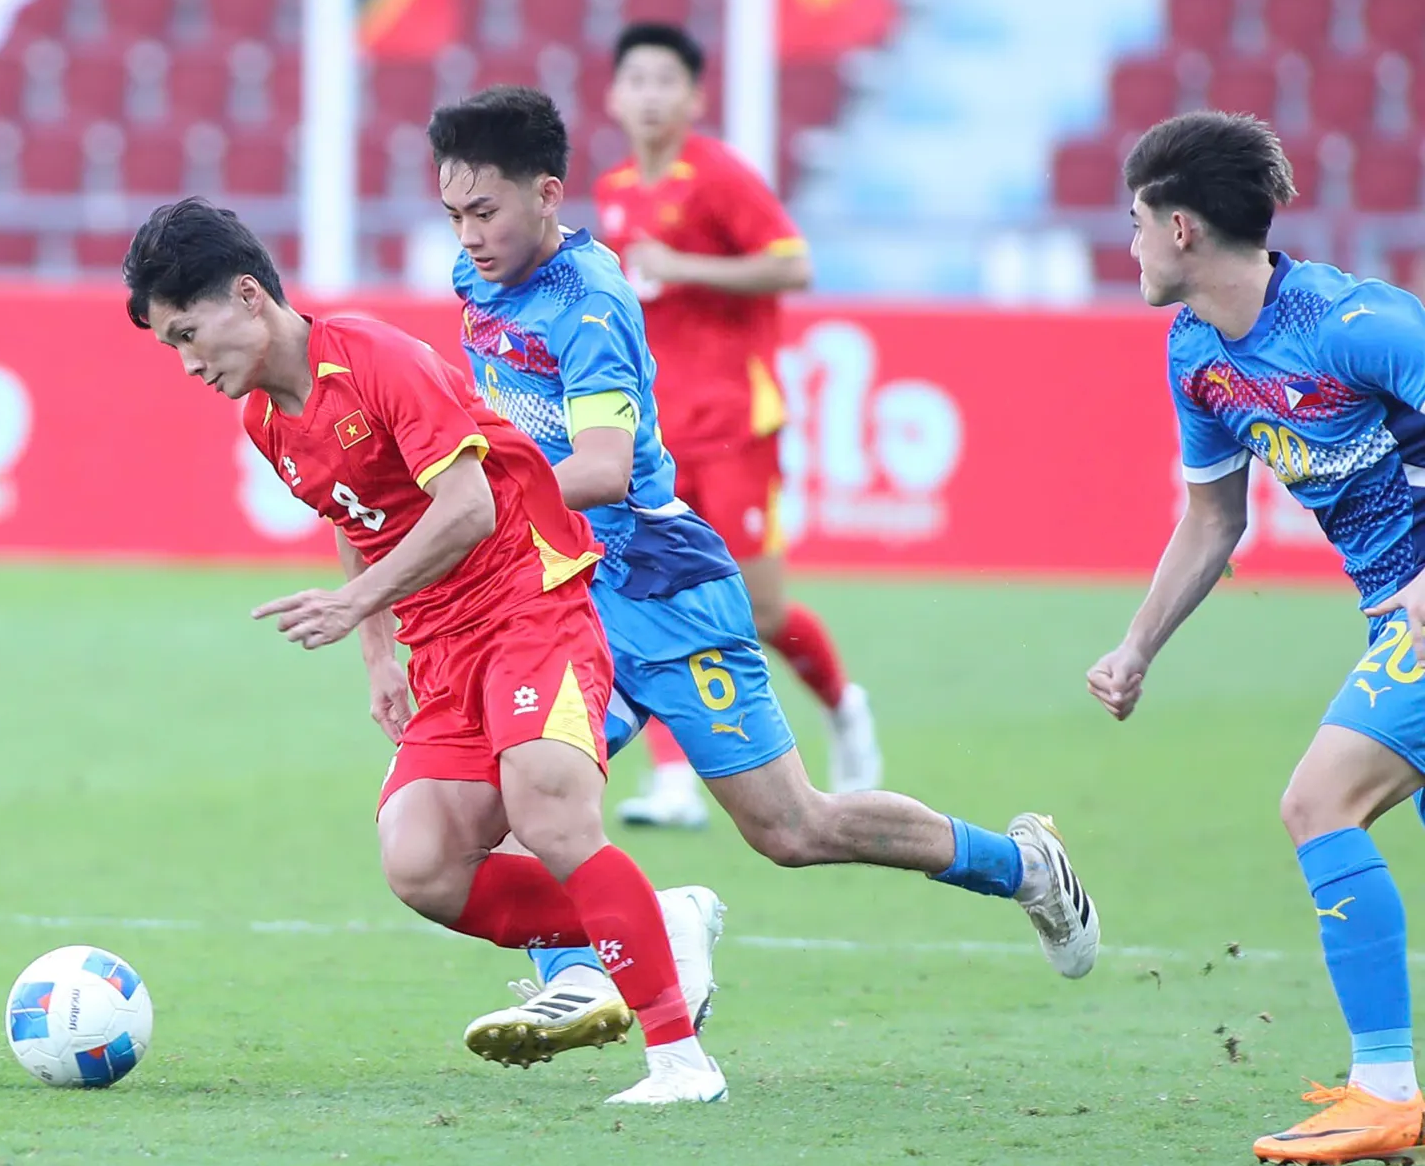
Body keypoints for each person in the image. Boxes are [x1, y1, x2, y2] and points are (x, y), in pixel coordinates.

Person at [427, 85, 1101, 1070]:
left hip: (660, 588)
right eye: (454, 214)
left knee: (793, 826)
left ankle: (1024, 864)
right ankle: (592, 962)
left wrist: (472, 507)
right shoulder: (475, 278)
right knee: (517, 792)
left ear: (548, 194)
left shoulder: (589, 302)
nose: (468, 236)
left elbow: (604, 469)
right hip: (567, 597)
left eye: (484, 212)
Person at [120, 196, 726, 1105]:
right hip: (443, 647)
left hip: (529, 603)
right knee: (422, 864)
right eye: (172, 346)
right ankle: (659, 919)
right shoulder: (266, 421)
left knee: (551, 809)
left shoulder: (376, 359)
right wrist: (378, 655)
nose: (189, 363)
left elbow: (470, 507)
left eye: (188, 333)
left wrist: (356, 603)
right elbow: (352, 517)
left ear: (248, 295)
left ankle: (681, 1061)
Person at [1088, 110, 1425, 1165]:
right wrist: (1138, 645)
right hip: (1394, 613)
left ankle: (1385, 1092)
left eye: (1136, 222)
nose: (1130, 244)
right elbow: (1212, 519)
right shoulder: (1197, 352)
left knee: (1318, 801)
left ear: (1180, 228)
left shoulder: (1356, 323)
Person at [593, 21, 879, 826]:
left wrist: (685, 266)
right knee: (648, 593)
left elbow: (795, 263)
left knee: (761, 611)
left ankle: (842, 702)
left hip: (734, 425)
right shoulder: (615, 190)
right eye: (637, 80)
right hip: (652, 439)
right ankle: (673, 782)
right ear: (613, 96)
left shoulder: (717, 176)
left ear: (694, 96)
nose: (650, 96)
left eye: (666, 81)